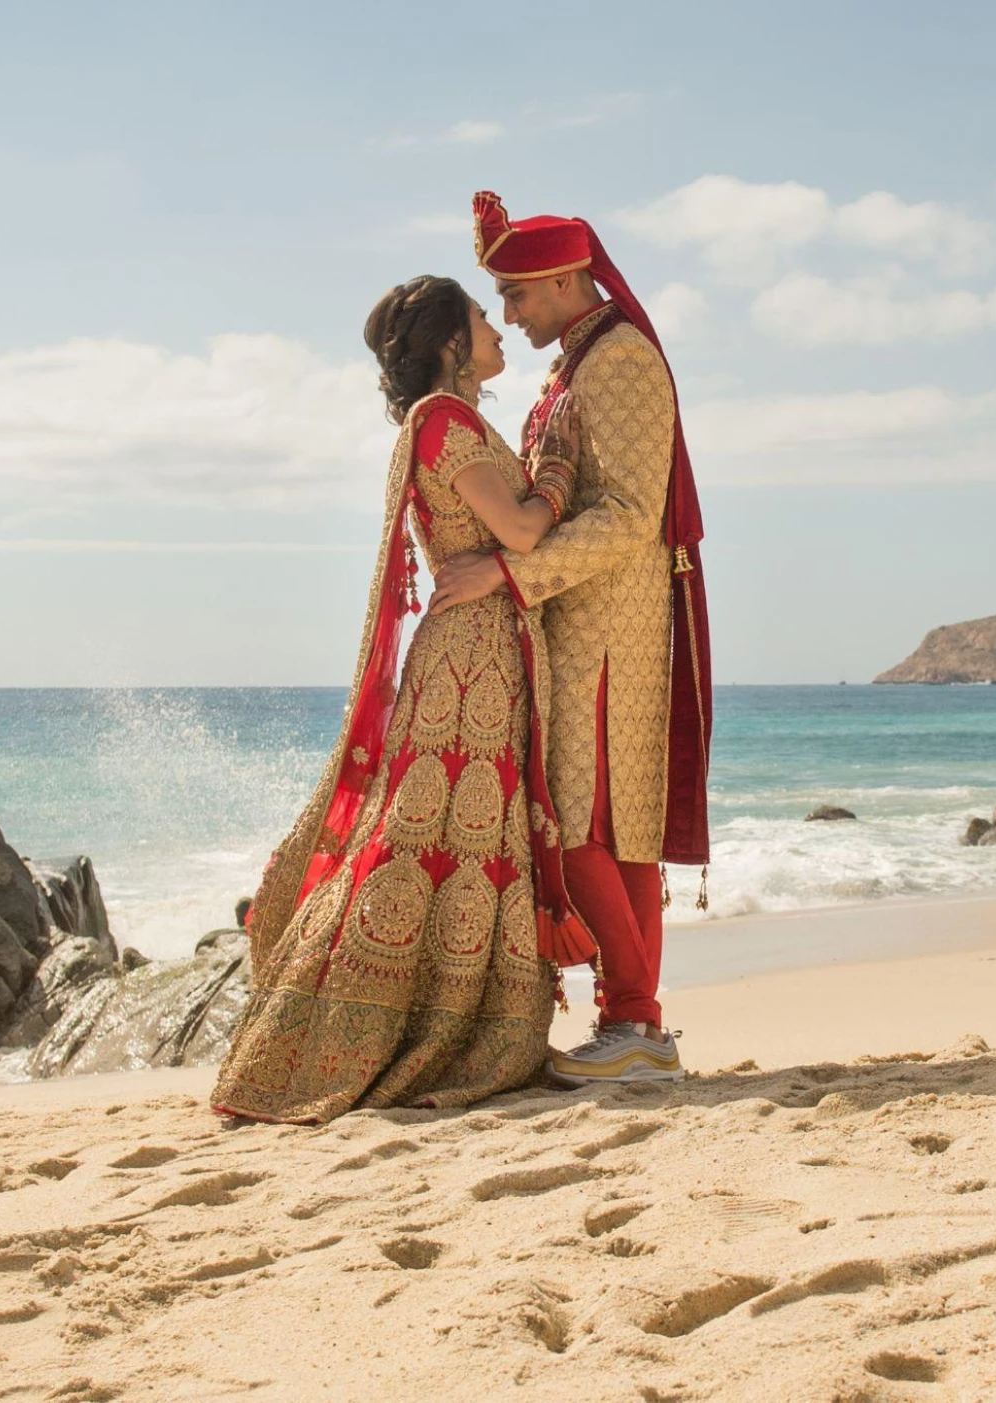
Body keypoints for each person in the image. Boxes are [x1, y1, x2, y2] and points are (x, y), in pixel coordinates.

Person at [209, 276, 596, 1124]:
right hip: (468, 659)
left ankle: (453, 1025)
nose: (497, 327)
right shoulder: (445, 422)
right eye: (482, 317)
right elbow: (525, 531)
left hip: (488, 649)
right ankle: (357, 1038)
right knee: (420, 845)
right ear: (453, 344)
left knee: (459, 844)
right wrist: (559, 478)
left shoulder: (456, 421)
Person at [426, 192, 713, 1086]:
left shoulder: (619, 361)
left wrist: (510, 577)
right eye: (498, 302)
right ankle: (635, 1025)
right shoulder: (578, 366)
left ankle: (635, 1019)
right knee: (606, 825)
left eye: (516, 295)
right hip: (582, 624)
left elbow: (629, 514)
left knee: (586, 821)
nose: (509, 315)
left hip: (609, 628)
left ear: (561, 277)